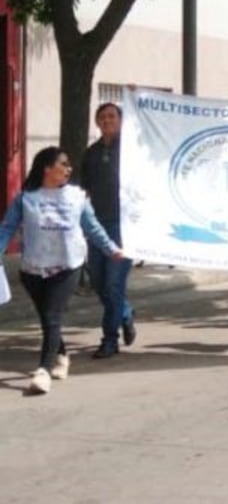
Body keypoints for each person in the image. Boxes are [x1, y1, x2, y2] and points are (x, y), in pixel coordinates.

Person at [0, 147, 123, 394]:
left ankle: (43, 372)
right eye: (63, 164)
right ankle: (62, 356)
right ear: (47, 168)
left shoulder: (77, 197)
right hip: (33, 269)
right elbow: (7, 228)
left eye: (69, 165)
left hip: (67, 266)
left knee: (52, 317)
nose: (69, 169)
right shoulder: (26, 198)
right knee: (49, 319)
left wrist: (111, 249)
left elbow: (92, 227)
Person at [80, 102, 136, 359]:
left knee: (113, 284)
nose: (107, 120)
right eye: (102, 117)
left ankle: (110, 340)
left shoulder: (132, 150)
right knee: (99, 282)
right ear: (97, 122)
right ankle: (125, 312)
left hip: (124, 226)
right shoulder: (91, 153)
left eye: (112, 116)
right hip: (97, 226)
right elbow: (84, 190)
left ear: (121, 120)